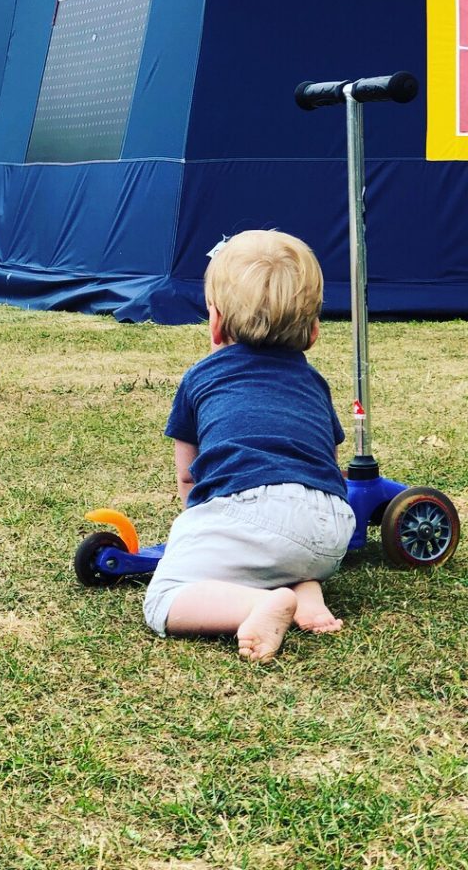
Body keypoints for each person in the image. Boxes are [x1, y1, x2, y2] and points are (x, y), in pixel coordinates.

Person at [142, 229, 356, 663]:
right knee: (275, 546)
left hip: (253, 514)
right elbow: (327, 467)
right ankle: (305, 586)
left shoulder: (201, 378)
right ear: (314, 331)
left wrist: (201, 532)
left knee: (163, 600)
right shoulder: (314, 383)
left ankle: (255, 604)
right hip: (331, 530)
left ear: (215, 322)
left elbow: (189, 476)